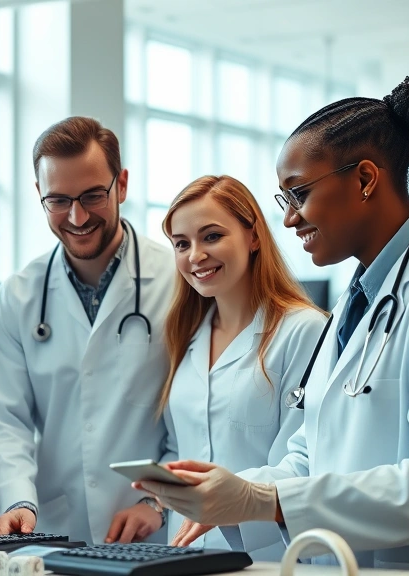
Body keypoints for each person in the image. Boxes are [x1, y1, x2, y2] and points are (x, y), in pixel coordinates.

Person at [136, 75, 409, 573]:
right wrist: (239, 494)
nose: (288, 220)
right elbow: (311, 453)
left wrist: (265, 502)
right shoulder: (359, 304)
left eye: (299, 194)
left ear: (366, 179)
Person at [0, 116, 176, 545]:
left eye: (92, 196)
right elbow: (2, 420)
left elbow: (196, 416)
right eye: (59, 200)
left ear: (121, 185)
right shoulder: (20, 294)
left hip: (154, 529)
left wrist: (159, 502)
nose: (77, 216)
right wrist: (16, 501)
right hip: (52, 527)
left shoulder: (179, 283)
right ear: (39, 196)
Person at [159, 175, 325, 559]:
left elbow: (306, 461)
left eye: (212, 236)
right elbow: (183, 448)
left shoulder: (302, 330)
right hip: (183, 554)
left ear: (253, 236)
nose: (195, 255)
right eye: (181, 243)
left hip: (270, 554)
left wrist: (234, 500)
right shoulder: (186, 335)